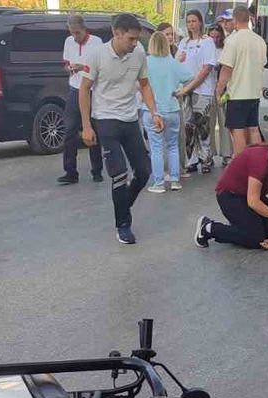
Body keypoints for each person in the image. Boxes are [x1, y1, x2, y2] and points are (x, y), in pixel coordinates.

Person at [80, 13, 163, 245]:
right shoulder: (97, 55)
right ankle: (123, 224)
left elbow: (144, 85)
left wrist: (154, 112)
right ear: (116, 34)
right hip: (105, 120)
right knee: (119, 174)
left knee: (144, 172)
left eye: (137, 39)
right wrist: (86, 126)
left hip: (130, 119)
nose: (135, 43)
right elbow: (84, 89)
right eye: (131, 39)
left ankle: (123, 205)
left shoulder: (139, 53)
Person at [193, 131, 268, 250]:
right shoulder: (261, 160)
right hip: (230, 195)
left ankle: (243, 227)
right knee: (254, 239)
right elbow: (253, 202)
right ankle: (208, 228)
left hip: (248, 195)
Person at [140, 31, 192, 193]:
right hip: (172, 108)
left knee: (156, 147)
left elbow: (139, 83)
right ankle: (175, 180)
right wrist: (181, 90)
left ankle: (159, 182)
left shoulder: (146, 62)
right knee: (173, 145)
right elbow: (190, 77)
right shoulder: (173, 62)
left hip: (152, 110)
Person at [58, 15, 104, 185]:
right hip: (74, 89)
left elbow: (101, 67)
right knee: (69, 131)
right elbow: (65, 63)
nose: (75, 36)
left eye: (77, 33)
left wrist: (83, 67)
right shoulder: (68, 42)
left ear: (84, 29)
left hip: (91, 90)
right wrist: (69, 68)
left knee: (93, 130)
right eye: (72, 33)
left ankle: (97, 170)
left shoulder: (97, 43)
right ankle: (70, 171)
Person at [215, 7, 267, 157]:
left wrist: (219, 90)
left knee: (237, 130)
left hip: (237, 94)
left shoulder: (232, 41)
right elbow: (263, 64)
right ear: (249, 19)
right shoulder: (260, 41)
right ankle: (257, 160)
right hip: (254, 93)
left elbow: (226, 69)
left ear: (235, 20)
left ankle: (240, 162)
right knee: (253, 128)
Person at [176, 10, 217, 175]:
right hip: (185, 90)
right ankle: (191, 159)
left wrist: (191, 86)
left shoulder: (207, 42)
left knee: (202, 126)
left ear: (200, 22)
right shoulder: (184, 42)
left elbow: (206, 69)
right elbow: (176, 64)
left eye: (194, 21)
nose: (191, 24)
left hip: (202, 90)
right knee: (188, 126)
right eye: (188, 22)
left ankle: (206, 158)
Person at [207, 25, 233, 166]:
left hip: (223, 90)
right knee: (209, 124)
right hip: (208, 89)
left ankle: (226, 154)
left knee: (224, 123)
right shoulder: (205, 49)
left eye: (217, 37)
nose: (215, 40)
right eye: (212, 37)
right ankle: (209, 154)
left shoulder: (225, 50)